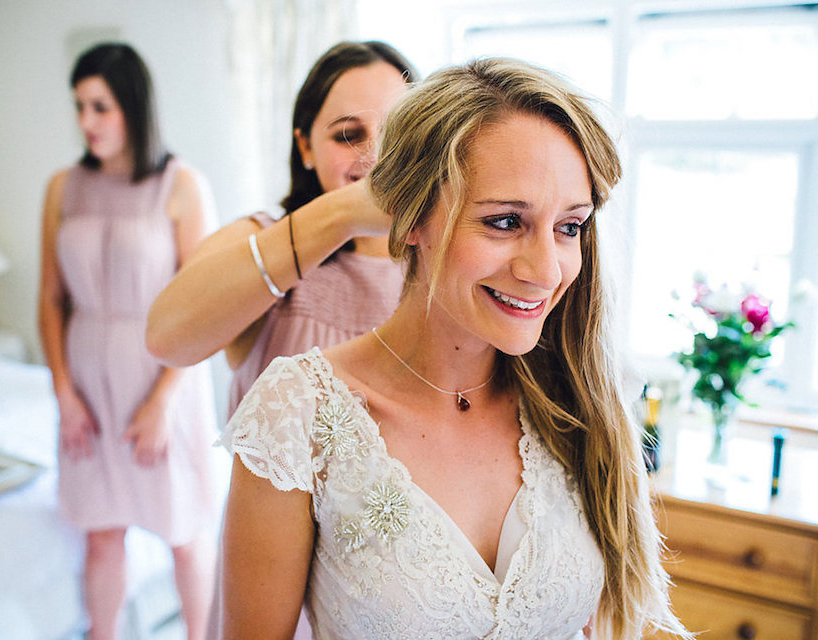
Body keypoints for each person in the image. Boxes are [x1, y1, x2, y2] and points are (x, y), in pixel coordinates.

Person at [218, 57, 692, 639]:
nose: (546, 270)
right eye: (504, 222)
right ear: (412, 215)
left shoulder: (581, 405)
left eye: (569, 227)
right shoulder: (297, 417)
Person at [37, 42, 217, 640]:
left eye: (100, 107)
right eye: (78, 107)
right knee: (101, 530)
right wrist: (63, 392)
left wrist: (161, 402)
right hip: (87, 382)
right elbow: (50, 299)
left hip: (163, 380)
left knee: (184, 535)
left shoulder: (181, 185)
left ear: (133, 108)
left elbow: (204, 309)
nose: (85, 122)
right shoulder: (63, 188)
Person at [146, 41, 419, 416]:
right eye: (347, 135)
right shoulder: (258, 237)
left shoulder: (444, 258)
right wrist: (343, 213)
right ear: (305, 147)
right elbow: (166, 338)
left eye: (395, 133)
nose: (374, 155)